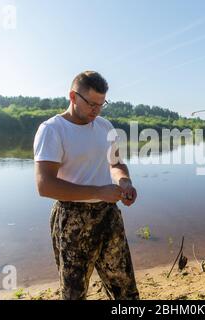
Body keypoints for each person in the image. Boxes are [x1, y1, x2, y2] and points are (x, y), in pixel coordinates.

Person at [33, 70, 139, 300]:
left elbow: (117, 163)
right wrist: (99, 191)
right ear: (73, 96)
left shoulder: (104, 126)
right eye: (91, 103)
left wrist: (125, 182)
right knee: (74, 295)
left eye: (101, 104)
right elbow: (45, 185)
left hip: (108, 215)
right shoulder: (52, 130)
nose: (96, 110)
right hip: (72, 220)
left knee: (125, 290)